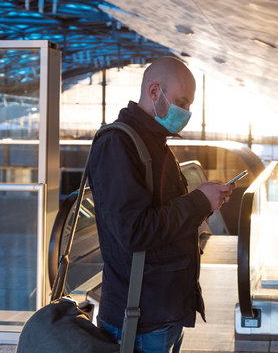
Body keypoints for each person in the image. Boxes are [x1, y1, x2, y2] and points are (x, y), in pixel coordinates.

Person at [87, 56, 234, 352]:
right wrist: (199, 201)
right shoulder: (119, 145)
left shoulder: (154, 142)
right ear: (154, 92)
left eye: (190, 105)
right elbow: (134, 231)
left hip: (162, 312)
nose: (186, 112)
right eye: (182, 101)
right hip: (140, 319)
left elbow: (162, 217)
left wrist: (203, 202)